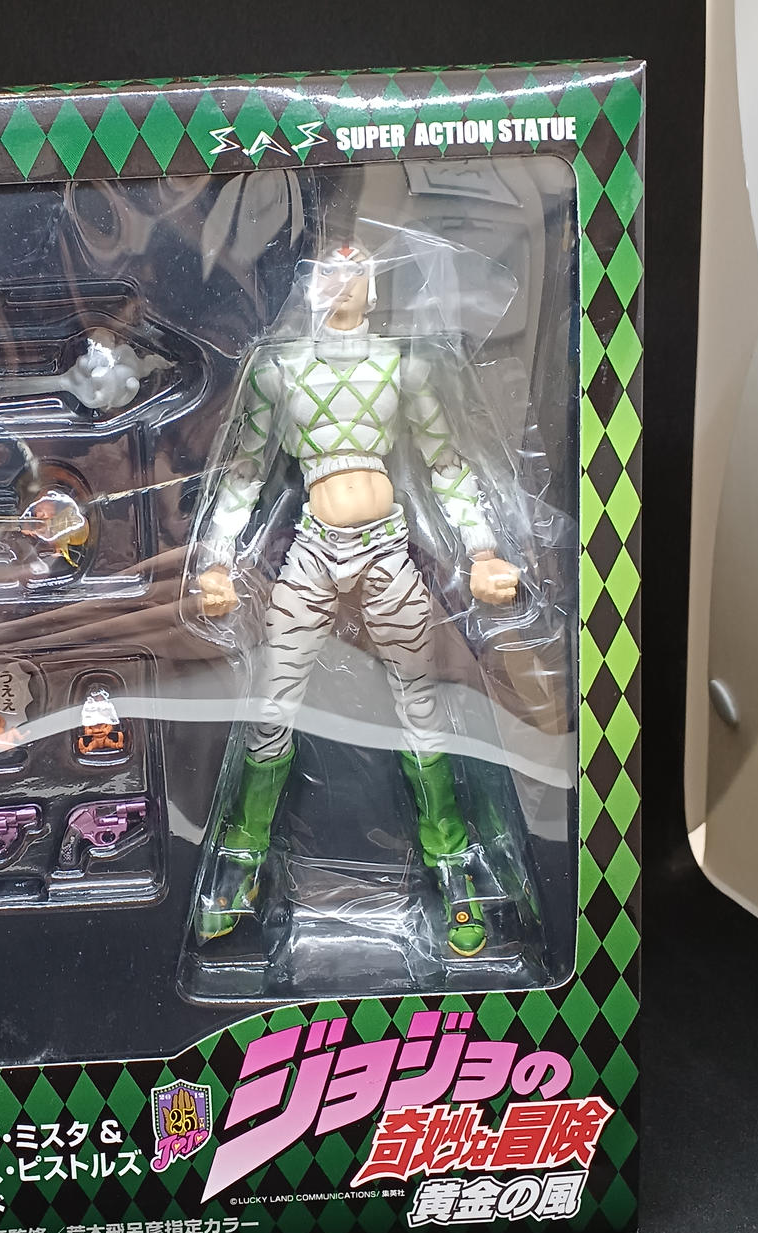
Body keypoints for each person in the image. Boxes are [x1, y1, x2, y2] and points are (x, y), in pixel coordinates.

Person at [194, 244, 520, 957]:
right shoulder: (280, 370)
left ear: (374, 289)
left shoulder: (404, 366)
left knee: (421, 710)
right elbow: (244, 472)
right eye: (331, 274)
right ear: (314, 288)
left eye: (357, 274)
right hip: (312, 549)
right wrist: (216, 562)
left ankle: (455, 866)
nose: (344, 284)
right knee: (270, 705)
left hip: (387, 550)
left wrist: (483, 550)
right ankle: (241, 859)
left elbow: (445, 463)